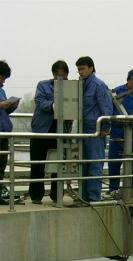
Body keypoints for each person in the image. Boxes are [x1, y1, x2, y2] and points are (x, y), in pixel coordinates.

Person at [29, 60, 72, 204]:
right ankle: (36, 195)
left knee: (58, 165)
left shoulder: (70, 88)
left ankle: (56, 194)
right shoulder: (43, 85)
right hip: (41, 131)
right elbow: (40, 101)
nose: (63, 79)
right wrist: (54, 105)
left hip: (60, 132)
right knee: (37, 164)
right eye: (60, 76)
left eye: (65, 77)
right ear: (54, 74)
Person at [76, 56, 113, 202]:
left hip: (95, 131)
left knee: (95, 164)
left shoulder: (98, 85)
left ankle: (93, 198)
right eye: (78, 69)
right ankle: (83, 196)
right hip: (82, 129)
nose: (80, 72)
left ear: (91, 68)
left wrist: (105, 126)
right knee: (82, 164)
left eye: (82, 69)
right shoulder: (81, 84)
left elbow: (106, 107)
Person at [108, 69, 133, 193]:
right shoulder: (117, 92)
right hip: (117, 132)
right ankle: (113, 189)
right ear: (128, 79)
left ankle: (131, 189)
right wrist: (108, 125)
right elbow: (109, 110)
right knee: (114, 162)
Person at [0, 60, 20, 204]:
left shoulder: (1, 90)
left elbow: (4, 110)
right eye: (2, 78)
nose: (3, 82)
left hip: (4, 132)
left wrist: (12, 105)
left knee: (1, 163)